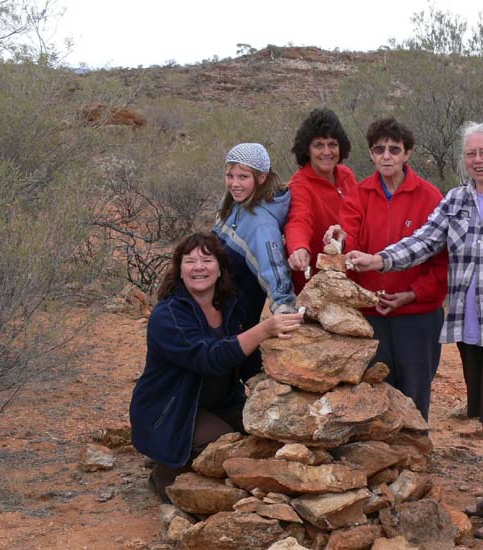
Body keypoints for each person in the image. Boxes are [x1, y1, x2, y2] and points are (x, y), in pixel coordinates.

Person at [347, 122, 483, 541]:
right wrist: (378, 261)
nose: (478, 160)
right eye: (470, 154)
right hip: (469, 325)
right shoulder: (456, 201)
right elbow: (424, 242)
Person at [130, 232, 303, 503]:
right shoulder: (168, 315)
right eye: (190, 261)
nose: (199, 267)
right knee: (227, 447)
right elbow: (209, 358)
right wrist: (264, 329)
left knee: (267, 433)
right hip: (173, 409)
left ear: (221, 270)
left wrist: (271, 390)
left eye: (207, 260)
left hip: (222, 402)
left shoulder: (230, 306)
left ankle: (192, 459)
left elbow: (247, 361)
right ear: (180, 270)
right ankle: (165, 474)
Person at [323, 117, 448, 421]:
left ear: (408, 154)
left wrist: (412, 294)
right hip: (370, 314)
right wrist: (339, 239)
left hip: (418, 315)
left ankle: (414, 459)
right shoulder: (359, 194)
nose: (386, 156)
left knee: (415, 394)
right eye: (379, 150)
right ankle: (383, 462)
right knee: (375, 393)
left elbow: (443, 263)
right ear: (371, 154)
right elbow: (350, 236)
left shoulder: (431, 197)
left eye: (394, 149)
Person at [213, 142, 296, 323]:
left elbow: (274, 269)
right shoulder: (233, 202)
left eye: (243, 177)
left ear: (261, 177)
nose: (234, 183)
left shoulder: (261, 224)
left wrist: (284, 310)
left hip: (237, 317)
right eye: (230, 176)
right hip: (217, 305)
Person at [284, 108, 357, 293]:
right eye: (318, 145)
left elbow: (358, 219)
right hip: (314, 286)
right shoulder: (300, 183)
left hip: (349, 279)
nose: (327, 151)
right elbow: (299, 219)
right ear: (307, 150)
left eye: (332, 144)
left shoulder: (347, 176)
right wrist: (299, 247)